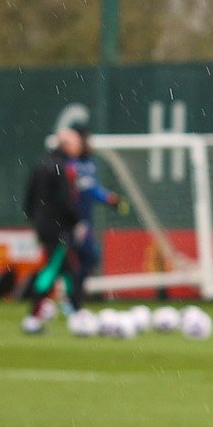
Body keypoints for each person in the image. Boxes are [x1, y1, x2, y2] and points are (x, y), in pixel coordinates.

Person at [20, 125, 88, 332]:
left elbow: (29, 199)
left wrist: (37, 220)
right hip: (57, 228)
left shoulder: (42, 163)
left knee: (67, 269)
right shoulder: (62, 166)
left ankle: (75, 313)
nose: (80, 147)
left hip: (45, 225)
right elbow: (66, 200)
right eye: (77, 143)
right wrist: (76, 222)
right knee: (53, 270)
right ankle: (33, 318)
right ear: (67, 145)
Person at [67, 122, 125, 302]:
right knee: (79, 259)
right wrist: (108, 198)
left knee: (88, 258)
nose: (89, 143)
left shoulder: (88, 163)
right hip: (70, 221)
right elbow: (87, 189)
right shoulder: (68, 164)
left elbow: (92, 188)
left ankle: (73, 298)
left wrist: (110, 199)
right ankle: (71, 299)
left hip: (84, 222)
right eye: (86, 139)